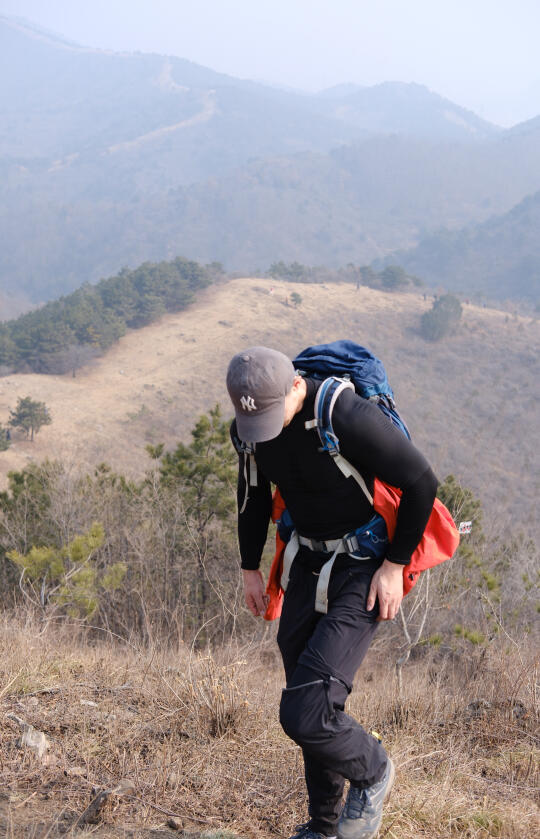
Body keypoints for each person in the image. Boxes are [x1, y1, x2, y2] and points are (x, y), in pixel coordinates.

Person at [226, 346, 438, 839]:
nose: (265, 432)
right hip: (309, 559)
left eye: (273, 417)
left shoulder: (340, 412)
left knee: (305, 709)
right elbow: (253, 495)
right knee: (308, 695)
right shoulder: (249, 430)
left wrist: (395, 565)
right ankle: (323, 827)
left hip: (366, 564)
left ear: (296, 387)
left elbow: (422, 481)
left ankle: (374, 770)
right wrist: (248, 567)